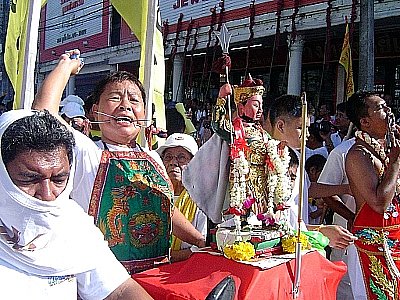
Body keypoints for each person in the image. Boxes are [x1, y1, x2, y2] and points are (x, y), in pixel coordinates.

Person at [33, 50, 206, 274]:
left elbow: (165, 209)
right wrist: (66, 67)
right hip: (102, 282)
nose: (125, 105)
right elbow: (43, 114)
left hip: (154, 277)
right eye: (115, 97)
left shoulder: (153, 156)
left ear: (144, 113)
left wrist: (200, 242)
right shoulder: (86, 152)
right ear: (95, 112)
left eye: (134, 100)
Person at [0, 110, 152, 299]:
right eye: (29, 179)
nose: (47, 195)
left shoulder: (72, 224)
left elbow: (118, 290)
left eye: (58, 179)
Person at [267, 94, 357, 249]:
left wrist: (345, 189)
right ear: (281, 126)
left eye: (307, 128)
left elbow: (307, 189)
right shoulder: (266, 157)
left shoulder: (295, 154)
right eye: (301, 128)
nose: (307, 134)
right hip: (277, 240)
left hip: (299, 238)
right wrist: (320, 230)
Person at [345, 91, 400, 299]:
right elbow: (379, 204)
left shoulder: (385, 149)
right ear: (365, 122)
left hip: (394, 239)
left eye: (387, 106)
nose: (388, 112)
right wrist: (394, 161)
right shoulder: (358, 155)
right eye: (380, 108)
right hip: (371, 248)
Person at [156, 133, 207, 261]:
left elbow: (203, 246)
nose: (173, 163)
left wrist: (169, 256)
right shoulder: (154, 195)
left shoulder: (202, 199)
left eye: (181, 157)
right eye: (168, 157)